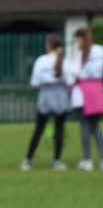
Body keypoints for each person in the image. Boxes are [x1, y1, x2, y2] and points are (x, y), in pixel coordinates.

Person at [21, 35, 70, 170]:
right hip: (61, 97)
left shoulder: (41, 61)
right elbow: (70, 81)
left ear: (48, 45)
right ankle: (57, 160)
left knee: (38, 130)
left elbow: (34, 82)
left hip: (46, 96)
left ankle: (28, 160)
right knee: (59, 130)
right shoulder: (64, 61)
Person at [64, 26, 103, 171]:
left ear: (80, 39)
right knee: (96, 127)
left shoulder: (78, 54)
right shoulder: (100, 50)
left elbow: (72, 74)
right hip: (97, 91)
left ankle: (87, 160)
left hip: (82, 92)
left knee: (85, 127)